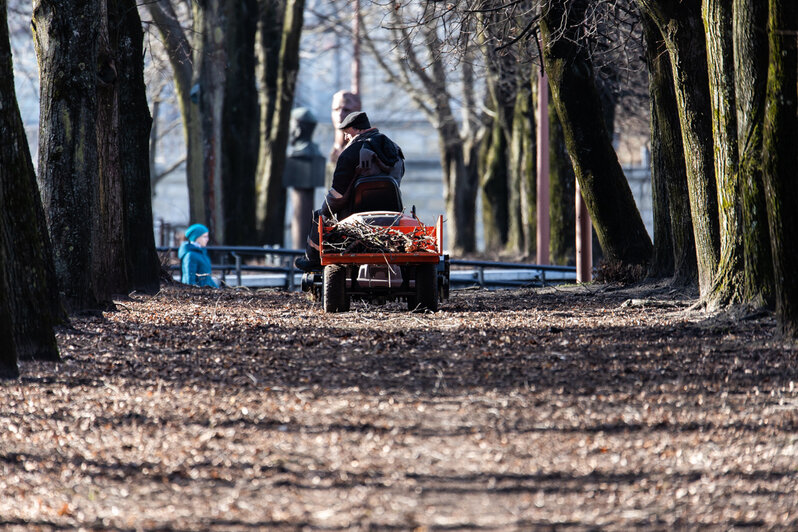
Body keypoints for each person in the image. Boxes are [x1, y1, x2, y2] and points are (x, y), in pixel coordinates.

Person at [294, 111, 405, 272]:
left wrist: (326, 210)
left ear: (356, 129)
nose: (346, 138)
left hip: (354, 219)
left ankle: (312, 260)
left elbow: (337, 196)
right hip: (392, 216)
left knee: (320, 215)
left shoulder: (350, 152)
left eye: (347, 133)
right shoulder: (395, 150)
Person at [179, 223, 219, 288]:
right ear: (196, 237)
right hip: (201, 294)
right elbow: (189, 280)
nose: (207, 239)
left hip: (207, 291)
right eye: (204, 236)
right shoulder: (190, 255)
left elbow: (208, 279)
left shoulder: (202, 252)